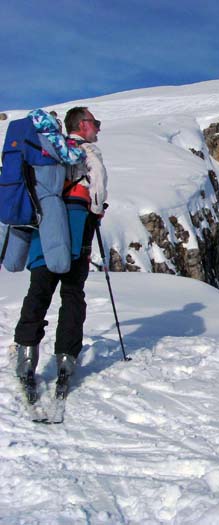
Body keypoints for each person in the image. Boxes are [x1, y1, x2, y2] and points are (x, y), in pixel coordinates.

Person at [14, 107, 108, 399]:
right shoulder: (88, 151)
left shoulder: (50, 149)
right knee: (71, 292)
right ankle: (65, 358)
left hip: (46, 224)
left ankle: (26, 356)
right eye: (95, 123)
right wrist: (97, 211)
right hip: (77, 223)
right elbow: (99, 191)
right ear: (82, 124)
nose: (98, 128)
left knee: (39, 288)